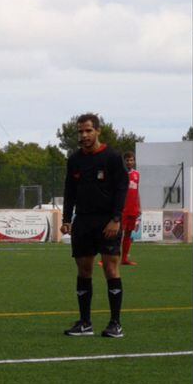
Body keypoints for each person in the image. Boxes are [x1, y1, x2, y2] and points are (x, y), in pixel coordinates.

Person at [60, 114, 129, 339]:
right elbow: (70, 191)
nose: (84, 135)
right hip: (83, 222)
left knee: (110, 269)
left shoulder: (112, 157)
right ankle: (85, 323)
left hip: (107, 221)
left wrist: (116, 219)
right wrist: (66, 219)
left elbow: (121, 189)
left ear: (98, 131)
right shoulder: (75, 160)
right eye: (80, 132)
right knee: (84, 270)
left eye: (88, 131)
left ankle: (115, 323)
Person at [120, 151, 140, 266]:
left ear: (134, 161)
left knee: (128, 234)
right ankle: (106, 259)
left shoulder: (137, 174)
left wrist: (139, 207)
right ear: (124, 161)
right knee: (117, 234)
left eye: (131, 160)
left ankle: (124, 259)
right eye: (127, 160)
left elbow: (137, 192)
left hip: (133, 209)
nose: (129, 162)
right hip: (122, 209)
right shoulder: (120, 174)